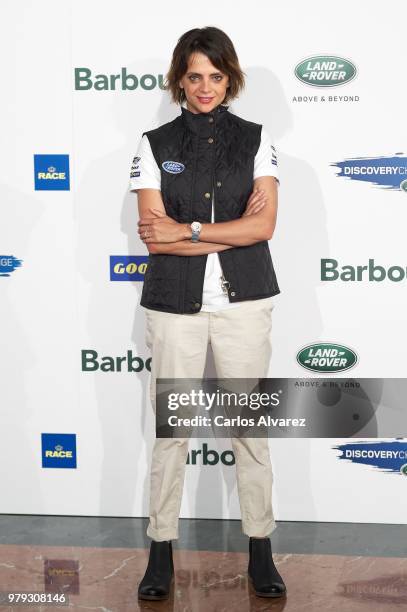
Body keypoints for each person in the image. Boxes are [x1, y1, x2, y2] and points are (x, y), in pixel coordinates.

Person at [128, 26, 286, 601]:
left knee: (250, 431)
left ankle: (261, 550)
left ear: (230, 79)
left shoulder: (258, 139)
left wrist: (189, 230)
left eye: (216, 77)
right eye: (194, 76)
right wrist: (228, 232)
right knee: (172, 434)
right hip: (174, 308)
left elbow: (263, 228)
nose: (205, 87)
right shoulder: (154, 144)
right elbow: (153, 239)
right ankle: (160, 551)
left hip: (245, 305)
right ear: (179, 78)